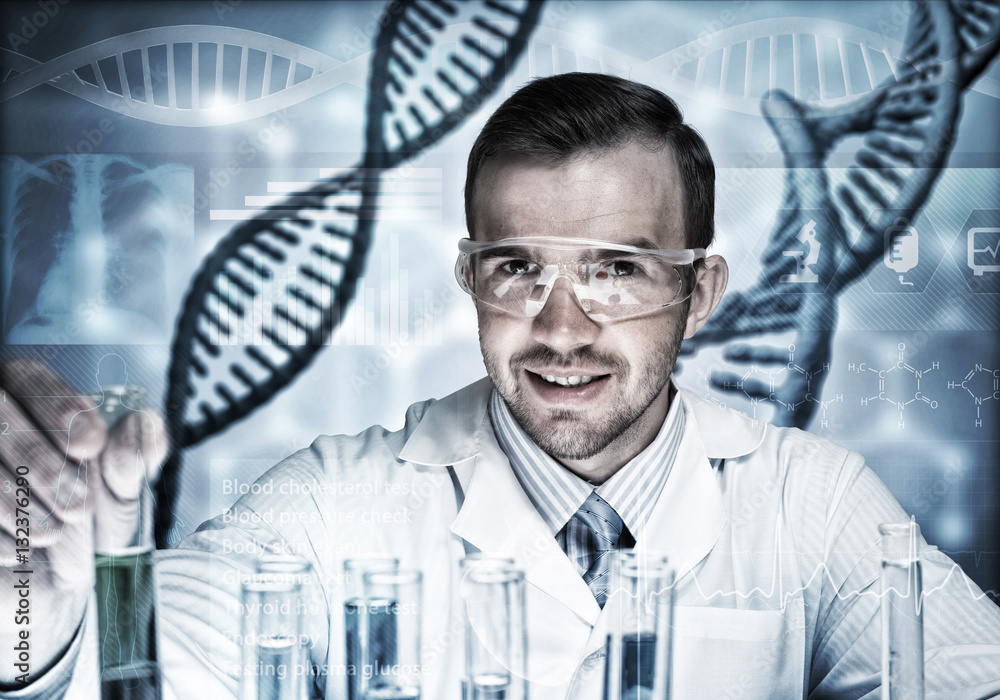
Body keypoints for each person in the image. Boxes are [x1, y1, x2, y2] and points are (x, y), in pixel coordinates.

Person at [2, 72, 999, 699]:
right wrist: (40, 625)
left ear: (699, 292)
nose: (562, 329)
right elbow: (157, 667)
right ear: (469, 279)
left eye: (615, 269)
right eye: (519, 268)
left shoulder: (811, 500)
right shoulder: (334, 500)